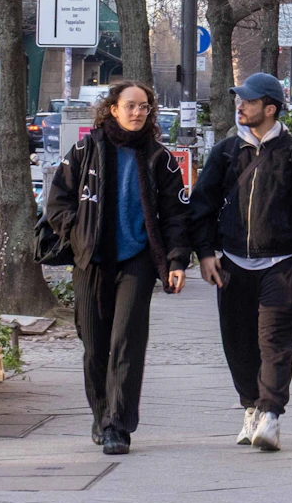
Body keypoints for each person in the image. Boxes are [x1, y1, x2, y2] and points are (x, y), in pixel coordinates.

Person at [187, 72, 292, 451]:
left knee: (274, 343)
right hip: (232, 265)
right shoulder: (225, 153)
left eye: (249, 101)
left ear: (270, 108)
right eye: (239, 99)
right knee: (238, 344)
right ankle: (251, 407)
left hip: (280, 266)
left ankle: (270, 415)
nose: (240, 106)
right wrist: (204, 253)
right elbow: (201, 205)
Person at [43, 79, 190, 455]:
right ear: (113, 109)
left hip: (137, 261)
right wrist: (79, 234)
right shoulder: (86, 149)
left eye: (144, 107)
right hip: (91, 259)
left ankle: (117, 425)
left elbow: (176, 215)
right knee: (94, 345)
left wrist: (176, 261)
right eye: (131, 106)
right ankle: (101, 414)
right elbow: (57, 202)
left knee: (127, 342)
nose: (138, 112)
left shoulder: (159, 157)